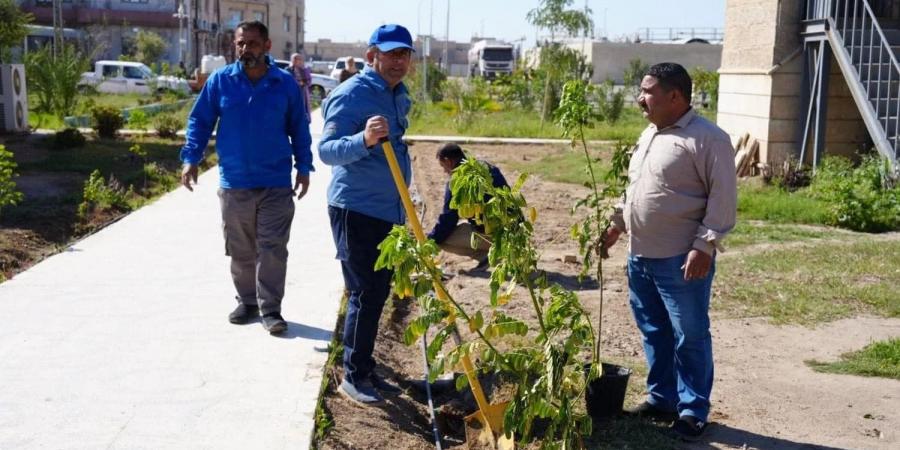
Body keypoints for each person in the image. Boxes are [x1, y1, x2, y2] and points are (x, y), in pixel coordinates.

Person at [604, 62, 736, 441]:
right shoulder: (650, 134)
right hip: (641, 255)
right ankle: (662, 398)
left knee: (689, 335)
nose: (639, 98)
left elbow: (723, 199)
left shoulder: (708, 139)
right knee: (654, 331)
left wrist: (704, 245)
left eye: (647, 91)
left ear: (674, 96)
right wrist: (617, 223)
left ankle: (693, 410)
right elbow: (635, 188)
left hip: (680, 260)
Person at [179, 21, 313, 336]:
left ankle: (271, 309)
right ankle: (248, 301)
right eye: (240, 43)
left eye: (252, 43)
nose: (245, 49)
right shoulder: (221, 81)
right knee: (240, 248)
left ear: (267, 46)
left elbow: (299, 127)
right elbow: (199, 121)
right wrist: (191, 159)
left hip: (275, 182)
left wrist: (304, 167)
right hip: (234, 181)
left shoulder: (285, 84)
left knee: (272, 247)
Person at [318, 24, 414, 405]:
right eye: (390, 54)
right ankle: (353, 377)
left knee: (377, 294)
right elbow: (326, 151)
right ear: (372, 55)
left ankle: (366, 367)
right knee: (364, 293)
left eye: (404, 54)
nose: (398, 61)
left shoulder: (397, 95)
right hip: (355, 208)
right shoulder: (351, 94)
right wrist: (364, 140)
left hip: (387, 208)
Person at [426, 142, 509, 267]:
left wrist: (430, 241)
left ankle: (490, 254)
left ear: (449, 162)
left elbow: (449, 220)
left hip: (493, 236)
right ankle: (495, 253)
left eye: (443, 166)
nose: (444, 171)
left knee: (443, 240)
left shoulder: (456, 182)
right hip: (513, 232)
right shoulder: (488, 167)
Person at [288, 52, 312, 119]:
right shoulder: (288, 69)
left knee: (303, 110)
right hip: (292, 93)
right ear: (292, 60)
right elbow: (288, 81)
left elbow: (309, 81)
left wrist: (305, 71)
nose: (299, 61)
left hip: (303, 93)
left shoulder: (304, 70)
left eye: (300, 59)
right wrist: (298, 83)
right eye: (296, 59)